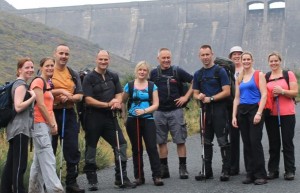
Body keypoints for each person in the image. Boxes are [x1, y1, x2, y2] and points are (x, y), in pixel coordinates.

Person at [82, 50, 136, 190]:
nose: (103, 62)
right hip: (93, 117)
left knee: (121, 145)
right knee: (91, 148)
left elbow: (119, 93)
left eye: (106, 59)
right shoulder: (89, 78)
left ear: (109, 60)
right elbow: (87, 99)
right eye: (101, 59)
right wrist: (107, 104)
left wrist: (117, 102)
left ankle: (121, 178)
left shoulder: (113, 76)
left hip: (110, 118)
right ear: (96, 59)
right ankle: (92, 179)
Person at [149, 48, 193, 179]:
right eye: (164, 58)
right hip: (159, 112)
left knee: (180, 140)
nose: (166, 60)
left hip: (176, 111)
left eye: (168, 57)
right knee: (161, 141)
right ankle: (164, 169)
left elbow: (194, 80)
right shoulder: (153, 73)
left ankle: (183, 168)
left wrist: (185, 97)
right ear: (158, 59)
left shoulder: (177, 71)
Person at [193, 44, 231, 181]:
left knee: (222, 141)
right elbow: (195, 93)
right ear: (199, 56)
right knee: (206, 141)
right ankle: (206, 171)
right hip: (205, 111)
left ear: (212, 54)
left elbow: (227, 91)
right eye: (202, 55)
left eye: (207, 54)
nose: (205, 57)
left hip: (219, 110)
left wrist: (212, 98)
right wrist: (200, 97)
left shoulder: (220, 71)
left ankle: (226, 170)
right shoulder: (198, 74)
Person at [122, 61, 164, 186]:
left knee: (151, 147)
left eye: (145, 70)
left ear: (147, 72)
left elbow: (156, 104)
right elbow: (122, 101)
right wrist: (124, 116)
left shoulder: (152, 86)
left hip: (148, 119)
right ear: (136, 71)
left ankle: (157, 176)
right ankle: (139, 177)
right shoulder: (129, 86)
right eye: (140, 70)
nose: (142, 72)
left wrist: (144, 110)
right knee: (137, 148)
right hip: (132, 120)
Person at [51, 44, 85, 193]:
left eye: (66, 54)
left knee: (72, 148)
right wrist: (59, 96)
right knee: (50, 149)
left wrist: (70, 97)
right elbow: (41, 91)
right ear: (55, 54)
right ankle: (50, 182)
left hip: (69, 113)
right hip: (51, 114)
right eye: (61, 53)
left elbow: (80, 95)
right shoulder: (48, 71)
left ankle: (71, 182)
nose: (64, 56)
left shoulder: (73, 73)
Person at [28, 57, 64, 193]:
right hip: (39, 124)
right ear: (41, 67)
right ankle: (56, 190)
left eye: (52, 65)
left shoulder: (48, 84)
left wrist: (53, 124)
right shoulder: (38, 81)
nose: (50, 68)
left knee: (38, 162)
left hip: (45, 125)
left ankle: (35, 191)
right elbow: (41, 105)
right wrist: (50, 122)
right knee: (49, 159)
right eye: (47, 65)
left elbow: (49, 107)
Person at [0, 58, 36, 193]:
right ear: (19, 69)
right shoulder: (21, 85)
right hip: (20, 129)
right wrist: (33, 97)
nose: (30, 70)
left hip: (14, 129)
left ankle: (5, 190)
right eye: (27, 67)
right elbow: (18, 106)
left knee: (11, 164)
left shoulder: (18, 84)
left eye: (32, 67)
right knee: (20, 165)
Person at [232, 51, 268, 185]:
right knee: (246, 143)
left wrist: (259, 113)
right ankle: (250, 173)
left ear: (252, 60)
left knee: (255, 142)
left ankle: (261, 175)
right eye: (244, 59)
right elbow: (236, 98)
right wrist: (233, 116)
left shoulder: (259, 74)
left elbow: (264, 95)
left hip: (254, 110)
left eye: (248, 59)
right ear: (241, 61)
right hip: (242, 111)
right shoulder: (239, 77)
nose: (246, 61)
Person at [264, 52, 298, 181]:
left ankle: (290, 170)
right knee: (274, 143)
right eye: (271, 61)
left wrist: (282, 91)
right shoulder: (267, 76)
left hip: (287, 114)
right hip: (271, 114)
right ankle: (273, 170)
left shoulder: (288, 74)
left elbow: (295, 92)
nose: (273, 63)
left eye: (275, 61)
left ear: (280, 61)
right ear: (269, 63)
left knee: (287, 142)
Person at [228, 46, 243, 175]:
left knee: (249, 137)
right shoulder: (227, 70)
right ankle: (233, 166)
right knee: (233, 138)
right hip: (231, 106)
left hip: (245, 106)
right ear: (230, 57)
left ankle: (252, 165)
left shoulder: (247, 69)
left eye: (239, 54)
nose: (237, 56)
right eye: (234, 54)